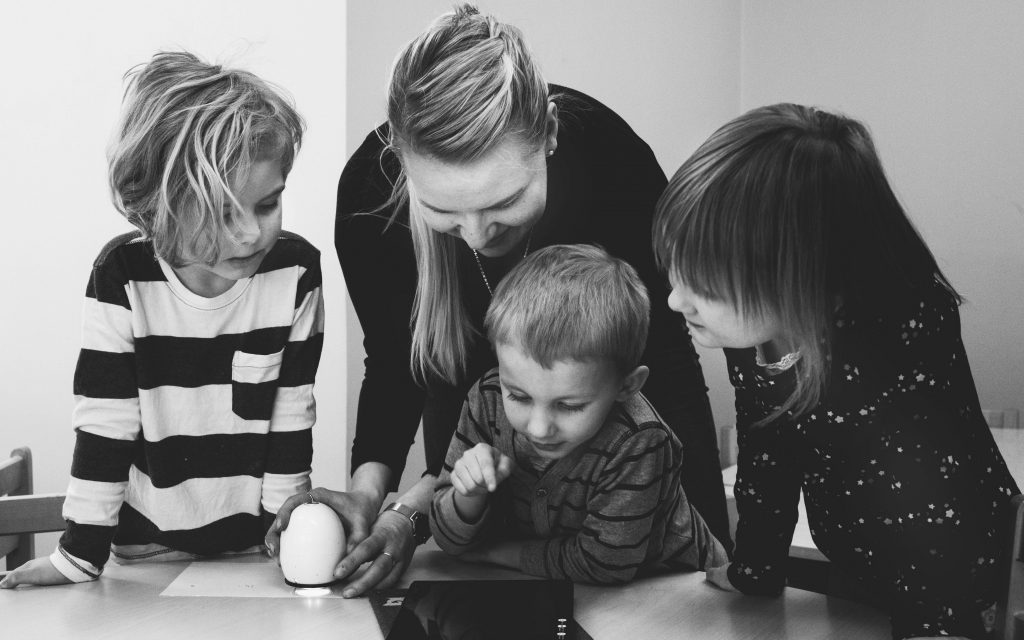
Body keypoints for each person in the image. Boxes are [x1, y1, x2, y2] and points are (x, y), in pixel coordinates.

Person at [266, 3, 729, 598]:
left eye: (503, 203)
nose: (480, 237)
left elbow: (668, 359)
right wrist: (373, 498)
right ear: (401, 165)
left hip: (619, 482)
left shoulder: (613, 164)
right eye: (444, 212)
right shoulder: (367, 198)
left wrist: (714, 549)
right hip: (481, 464)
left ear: (550, 137)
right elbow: (395, 363)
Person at [651, 103, 1020, 639]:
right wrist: (755, 567)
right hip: (853, 555)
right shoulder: (758, 332)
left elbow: (934, 500)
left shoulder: (898, 337)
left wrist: (939, 624)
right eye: (675, 272)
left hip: (956, 572)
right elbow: (767, 451)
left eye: (703, 287)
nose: (673, 300)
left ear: (803, 274)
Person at [0, 51, 323, 588]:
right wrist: (79, 555)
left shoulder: (296, 271)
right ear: (155, 206)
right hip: (146, 553)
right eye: (221, 212)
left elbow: (292, 414)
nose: (248, 235)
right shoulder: (120, 274)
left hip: (254, 551)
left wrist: (286, 539)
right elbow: (106, 424)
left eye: (267, 205)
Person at [430, 244, 729, 583]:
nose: (539, 428)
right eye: (518, 396)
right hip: (571, 587)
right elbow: (446, 537)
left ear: (627, 386)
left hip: (685, 590)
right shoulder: (486, 401)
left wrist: (491, 552)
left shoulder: (640, 440)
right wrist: (468, 496)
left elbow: (603, 564)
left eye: (569, 406)